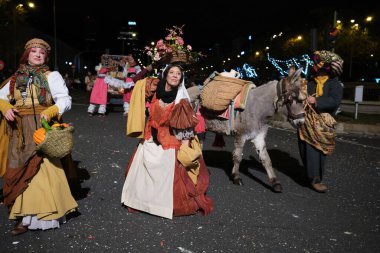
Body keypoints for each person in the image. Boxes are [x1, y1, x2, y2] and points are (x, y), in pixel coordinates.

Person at [0, 38, 78, 235]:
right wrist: (5, 106)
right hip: (20, 131)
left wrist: (52, 110)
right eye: (33, 51)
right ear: (27, 55)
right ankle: (23, 216)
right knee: (19, 170)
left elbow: (64, 99)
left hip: (42, 128)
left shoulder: (52, 76)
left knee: (43, 170)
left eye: (41, 52)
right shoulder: (15, 78)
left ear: (45, 57)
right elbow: (0, 96)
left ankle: (42, 215)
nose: (37, 54)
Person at [121, 64, 213, 219]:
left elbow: (185, 130)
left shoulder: (181, 101)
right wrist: (155, 63)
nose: (175, 75)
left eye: (178, 74)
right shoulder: (155, 90)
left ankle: (160, 206)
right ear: (165, 75)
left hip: (170, 145)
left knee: (167, 179)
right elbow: (135, 80)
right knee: (143, 173)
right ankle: (141, 202)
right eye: (171, 72)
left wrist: (184, 151)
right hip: (150, 139)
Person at [298, 50, 344, 193]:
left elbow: (334, 101)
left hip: (323, 124)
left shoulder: (334, 84)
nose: (316, 70)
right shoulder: (310, 82)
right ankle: (310, 175)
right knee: (304, 149)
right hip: (305, 121)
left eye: (319, 68)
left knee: (317, 149)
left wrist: (316, 100)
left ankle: (316, 179)